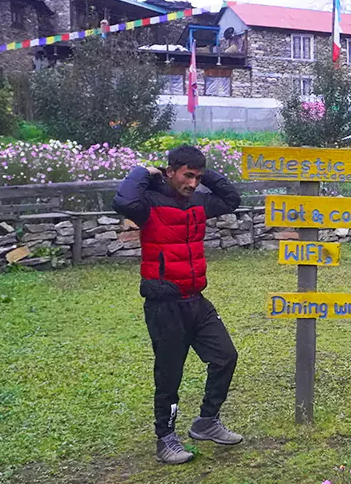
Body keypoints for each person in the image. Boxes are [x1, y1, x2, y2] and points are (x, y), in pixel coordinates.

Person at [113, 146, 244, 465]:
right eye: (187, 175)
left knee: (225, 357)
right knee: (169, 375)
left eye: (198, 177)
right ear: (170, 171)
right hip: (164, 304)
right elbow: (123, 201)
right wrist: (143, 171)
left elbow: (232, 199)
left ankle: (206, 422)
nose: (193, 183)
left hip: (196, 300)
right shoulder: (148, 204)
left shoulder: (199, 201)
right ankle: (165, 439)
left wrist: (205, 171)